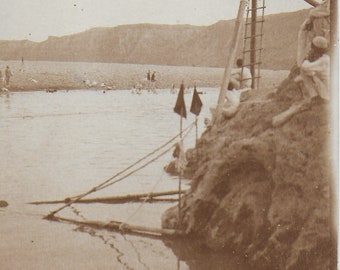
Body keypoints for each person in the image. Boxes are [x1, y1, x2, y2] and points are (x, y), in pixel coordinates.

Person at [295, 36, 330, 101]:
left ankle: (314, 97)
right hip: (326, 87)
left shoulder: (323, 60)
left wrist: (307, 58)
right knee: (301, 77)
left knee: (303, 72)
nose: (311, 50)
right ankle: (313, 97)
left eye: (312, 48)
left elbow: (304, 67)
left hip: (327, 90)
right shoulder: (325, 58)